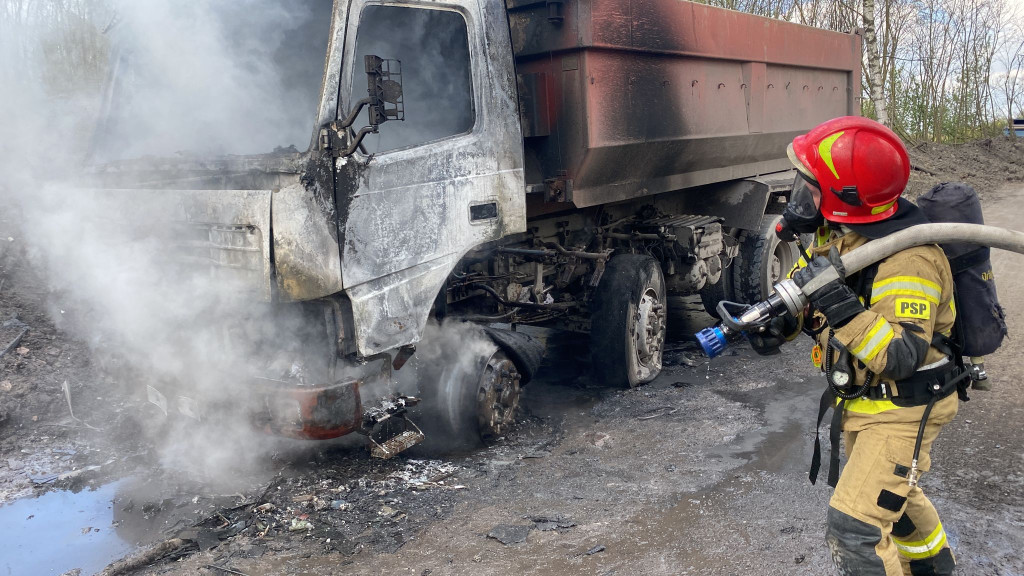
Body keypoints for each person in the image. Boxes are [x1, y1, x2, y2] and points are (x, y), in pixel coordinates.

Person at [751, 116, 962, 575]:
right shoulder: (837, 235)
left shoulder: (911, 258)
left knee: (856, 528)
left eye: (810, 187)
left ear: (847, 196)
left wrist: (839, 304)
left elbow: (901, 356)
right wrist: (777, 325)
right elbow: (805, 297)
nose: (799, 197)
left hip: (904, 407)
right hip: (866, 404)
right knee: (896, 501)